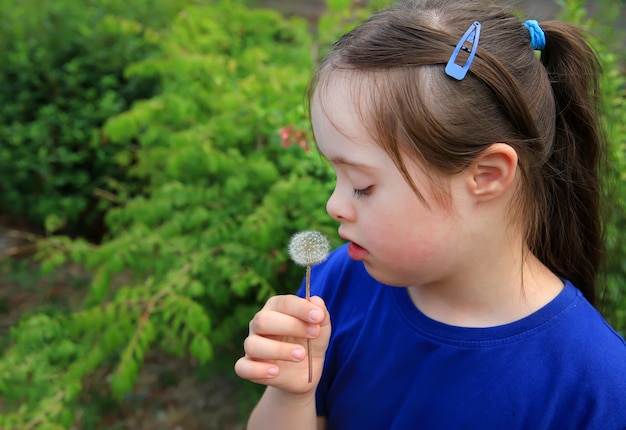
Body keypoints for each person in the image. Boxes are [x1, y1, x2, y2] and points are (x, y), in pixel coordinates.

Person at [234, 0, 626, 428]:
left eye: (362, 185)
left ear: (487, 176)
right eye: (336, 177)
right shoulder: (338, 285)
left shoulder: (596, 386)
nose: (334, 205)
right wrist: (291, 394)